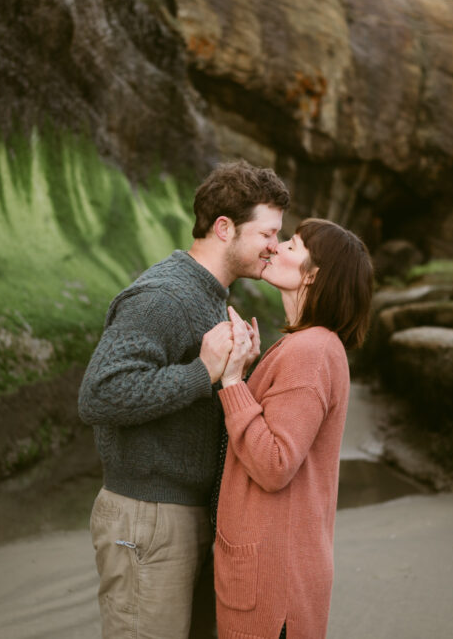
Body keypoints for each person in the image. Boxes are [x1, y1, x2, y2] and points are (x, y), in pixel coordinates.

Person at [77, 159, 289, 638]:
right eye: (269, 234)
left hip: (181, 518)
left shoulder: (211, 296)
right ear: (224, 228)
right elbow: (99, 394)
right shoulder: (163, 297)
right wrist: (202, 372)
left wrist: (233, 375)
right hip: (145, 518)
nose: (275, 248)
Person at [214, 218, 374, 639]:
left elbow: (274, 464)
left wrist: (231, 383)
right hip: (278, 576)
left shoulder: (310, 351)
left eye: (292, 243)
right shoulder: (311, 345)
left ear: (314, 275)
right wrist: (250, 374)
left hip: (272, 588)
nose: (276, 246)